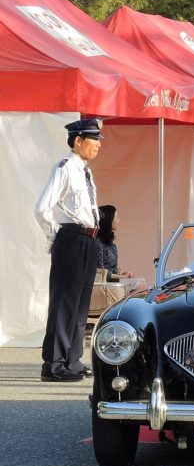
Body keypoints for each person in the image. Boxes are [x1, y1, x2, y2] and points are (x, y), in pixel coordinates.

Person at [35, 118, 104, 382]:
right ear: (78, 140)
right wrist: (56, 236)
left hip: (87, 239)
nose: (98, 145)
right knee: (64, 303)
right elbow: (42, 207)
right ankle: (53, 365)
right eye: (94, 139)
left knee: (81, 303)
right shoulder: (64, 167)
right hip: (71, 238)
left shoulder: (84, 170)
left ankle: (72, 361)